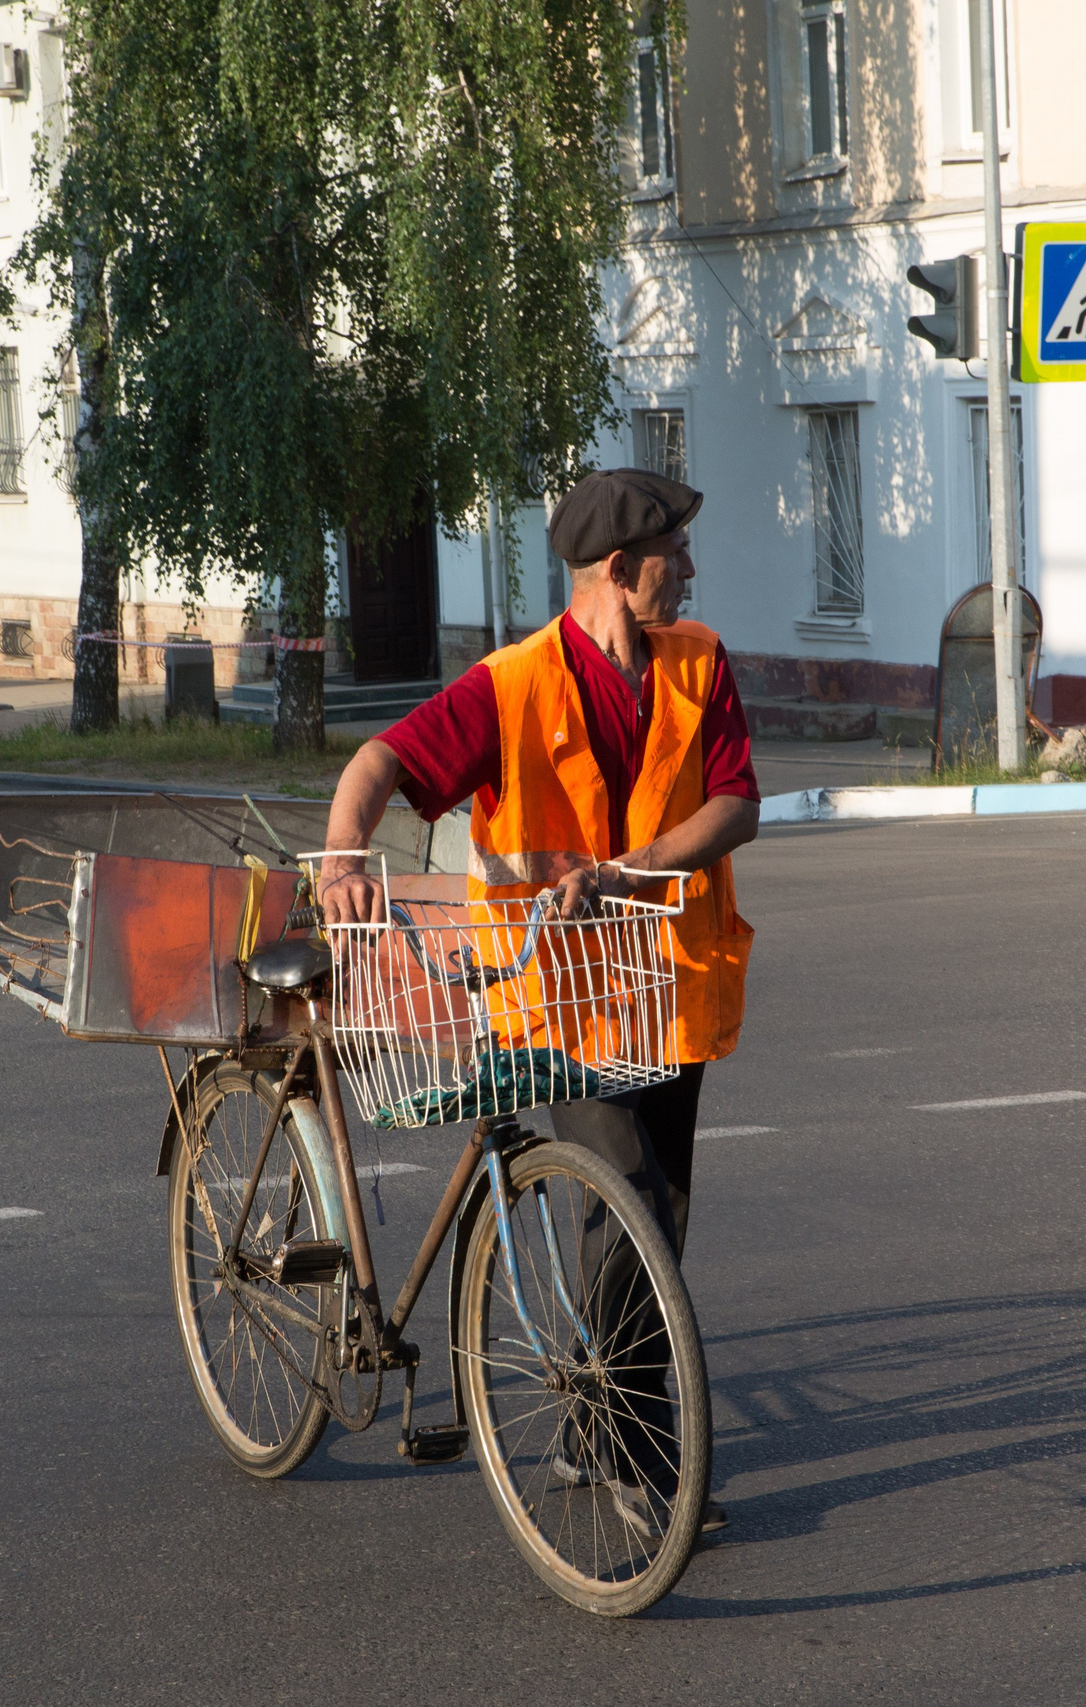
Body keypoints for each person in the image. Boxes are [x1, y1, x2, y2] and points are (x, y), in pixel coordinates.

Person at [321, 466, 758, 1537]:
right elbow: (380, 760)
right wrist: (341, 857)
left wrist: (625, 867)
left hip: (667, 987)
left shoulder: (696, 664)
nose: (691, 572)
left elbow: (737, 805)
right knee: (630, 1213)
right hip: (556, 1002)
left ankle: (582, 1432)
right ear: (620, 570)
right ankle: (633, 1460)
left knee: (663, 1218)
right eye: (675, 555)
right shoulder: (509, 686)